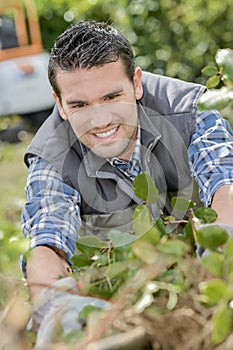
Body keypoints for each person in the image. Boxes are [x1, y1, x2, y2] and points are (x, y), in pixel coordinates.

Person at [21, 20, 233, 346]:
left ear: (136, 83)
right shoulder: (51, 156)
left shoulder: (190, 111)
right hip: (121, 299)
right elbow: (46, 241)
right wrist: (57, 308)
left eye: (111, 96)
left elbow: (226, 187)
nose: (101, 119)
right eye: (79, 105)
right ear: (59, 103)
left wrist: (215, 271)